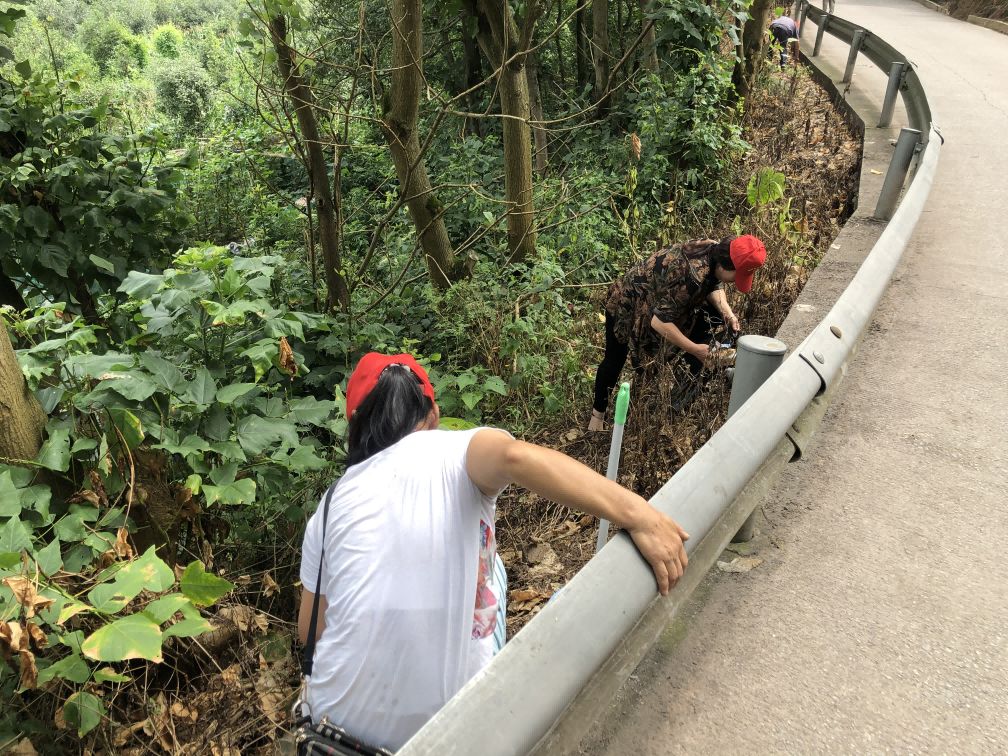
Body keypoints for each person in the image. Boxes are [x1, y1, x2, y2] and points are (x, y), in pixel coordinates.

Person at [297, 352, 690, 751]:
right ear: (432, 416)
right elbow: (514, 457)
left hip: (337, 733)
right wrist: (640, 515)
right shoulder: (453, 450)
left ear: (355, 427)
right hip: (448, 735)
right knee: (492, 572)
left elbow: (310, 629)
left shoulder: (329, 508)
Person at [589, 235, 767, 432]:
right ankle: (597, 418)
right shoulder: (692, 279)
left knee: (714, 315)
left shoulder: (713, 249)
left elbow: (714, 284)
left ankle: (689, 375)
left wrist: (728, 314)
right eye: (736, 275)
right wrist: (694, 349)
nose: (735, 282)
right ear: (725, 265)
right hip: (627, 303)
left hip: (661, 300)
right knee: (615, 358)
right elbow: (659, 322)